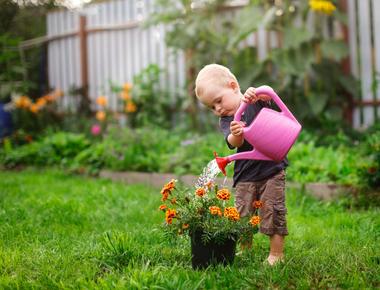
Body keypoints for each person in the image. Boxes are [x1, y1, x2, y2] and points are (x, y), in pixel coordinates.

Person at [194, 64, 288, 266]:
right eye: (212, 107)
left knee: (273, 210)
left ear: (233, 86)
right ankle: (246, 250)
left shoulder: (254, 101)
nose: (217, 108)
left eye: (218, 100)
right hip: (245, 173)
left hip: (271, 168)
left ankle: (276, 254)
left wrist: (263, 95)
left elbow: (273, 100)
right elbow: (232, 143)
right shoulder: (227, 120)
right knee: (243, 214)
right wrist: (237, 134)